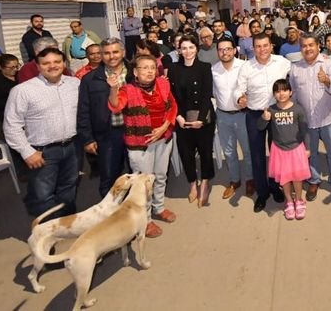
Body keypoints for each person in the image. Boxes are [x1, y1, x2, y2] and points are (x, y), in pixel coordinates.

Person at [4, 47, 80, 219]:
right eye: (46, 63)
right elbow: (11, 125)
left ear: (64, 63)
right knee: (42, 195)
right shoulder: (23, 90)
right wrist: (27, 152)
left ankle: (66, 225)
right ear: (37, 67)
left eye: (57, 62)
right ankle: (46, 235)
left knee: (68, 189)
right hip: (42, 152)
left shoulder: (74, 84)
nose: (52, 66)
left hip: (72, 147)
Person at [108, 54, 177, 238]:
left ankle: (159, 207)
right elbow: (115, 106)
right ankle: (145, 220)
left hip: (164, 138)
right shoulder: (127, 90)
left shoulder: (163, 84)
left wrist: (164, 127)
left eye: (152, 67)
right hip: (140, 145)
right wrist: (113, 88)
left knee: (161, 176)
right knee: (143, 184)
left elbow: (172, 106)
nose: (149, 71)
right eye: (144, 68)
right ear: (135, 72)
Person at [234, 33, 292, 212]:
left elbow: (299, 69)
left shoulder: (282, 62)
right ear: (253, 48)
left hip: (277, 114)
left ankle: (275, 187)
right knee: (257, 155)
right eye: (258, 46)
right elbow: (238, 89)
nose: (262, 50)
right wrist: (240, 99)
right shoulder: (246, 67)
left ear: (271, 45)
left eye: (265, 45)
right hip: (254, 115)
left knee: (276, 154)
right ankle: (262, 192)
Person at [290, 34, 331, 201]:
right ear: (301, 49)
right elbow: (292, 93)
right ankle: (314, 180)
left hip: (328, 118)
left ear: (318, 46)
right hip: (307, 120)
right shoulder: (295, 68)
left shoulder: (328, 63)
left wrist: (327, 80)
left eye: (311, 45)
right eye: (304, 46)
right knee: (311, 153)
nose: (308, 48)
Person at [77, 38, 131, 198]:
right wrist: (87, 138)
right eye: (106, 53)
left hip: (134, 131)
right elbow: (83, 110)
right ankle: (111, 215)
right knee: (109, 177)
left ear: (123, 52)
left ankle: (138, 212)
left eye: (115, 52)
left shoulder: (135, 73)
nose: (111, 56)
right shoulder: (90, 79)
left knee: (137, 175)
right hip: (107, 135)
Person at [169, 34, 216, 208]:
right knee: (186, 153)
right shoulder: (174, 69)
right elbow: (172, 96)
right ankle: (191, 184)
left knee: (205, 151)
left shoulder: (205, 67)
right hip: (182, 117)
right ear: (178, 50)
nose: (187, 51)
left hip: (204, 117)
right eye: (184, 48)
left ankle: (205, 182)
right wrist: (179, 117)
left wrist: (201, 120)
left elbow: (206, 95)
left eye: (191, 47)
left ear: (196, 48)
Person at [260, 80, 311, 220]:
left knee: (297, 178)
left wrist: (307, 148)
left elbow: (304, 130)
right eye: (277, 91)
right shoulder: (271, 109)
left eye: (284, 90)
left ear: (290, 92)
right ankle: (289, 201)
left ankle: (299, 200)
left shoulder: (298, 109)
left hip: (296, 148)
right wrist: (264, 119)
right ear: (274, 94)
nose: (281, 94)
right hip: (279, 149)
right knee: (285, 178)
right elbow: (260, 127)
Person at [213, 38, 254, 200]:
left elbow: (252, 88)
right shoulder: (213, 70)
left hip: (243, 116)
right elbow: (213, 93)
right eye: (221, 49)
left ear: (234, 50)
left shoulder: (244, 67)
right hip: (223, 116)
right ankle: (235, 180)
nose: (225, 52)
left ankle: (250, 180)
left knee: (247, 150)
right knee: (229, 152)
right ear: (218, 52)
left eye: (228, 49)